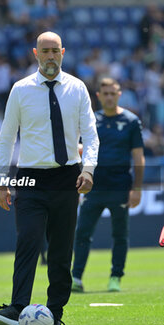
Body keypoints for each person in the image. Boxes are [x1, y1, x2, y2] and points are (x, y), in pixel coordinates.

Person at [0, 31, 99, 325]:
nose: (50, 56)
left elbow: (91, 133)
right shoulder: (20, 90)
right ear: (35, 53)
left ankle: (55, 315)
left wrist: (88, 169)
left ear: (63, 52)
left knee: (61, 250)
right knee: (29, 240)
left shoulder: (78, 88)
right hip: (30, 177)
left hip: (67, 177)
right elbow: (6, 138)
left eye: (55, 51)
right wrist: (0, 181)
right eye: (44, 51)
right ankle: (18, 307)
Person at [71, 77, 145, 293]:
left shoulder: (131, 121)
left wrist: (137, 188)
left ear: (119, 94)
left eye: (114, 93)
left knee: (120, 234)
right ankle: (76, 277)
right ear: (99, 96)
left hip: (120, 186)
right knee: (82, 232)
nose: (110, 97)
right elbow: (78, 152)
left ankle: (115, 277)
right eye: (106, 94)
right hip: (93, 187)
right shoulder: (91, 121)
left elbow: (139, 157)